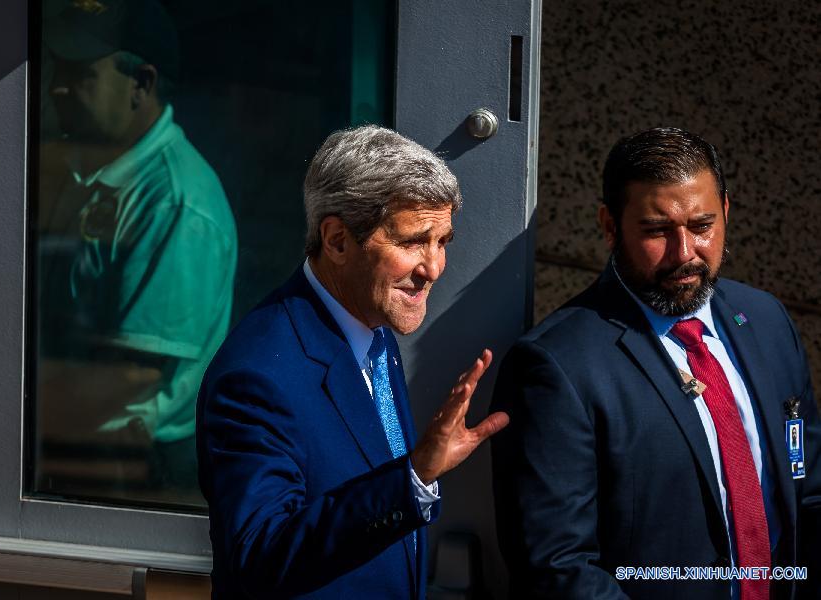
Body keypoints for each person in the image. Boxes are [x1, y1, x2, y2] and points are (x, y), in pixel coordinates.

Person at [491, 127, 820, 599]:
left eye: (702, 225)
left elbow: (808, 489)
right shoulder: (556, 367)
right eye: (657, 230)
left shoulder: (767, 321)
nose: (684, 253)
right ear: (609, 226)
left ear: (726, 211)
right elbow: (556, 567)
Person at [196, 125, 509, 599]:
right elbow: (261, 556)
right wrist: (414, 479)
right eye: (412, 242)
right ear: (338, 240)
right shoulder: (257, 377)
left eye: (442, 241)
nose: (434, 268)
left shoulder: (372, 330)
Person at [36, 0, 236, 500]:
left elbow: (131, 377)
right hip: (76, 436)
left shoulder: (176, 204)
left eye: (79, 73)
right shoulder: (93, 165)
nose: (56, 86)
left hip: (134, 465)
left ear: (140, 84)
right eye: (57, 68)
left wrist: (11, 405)